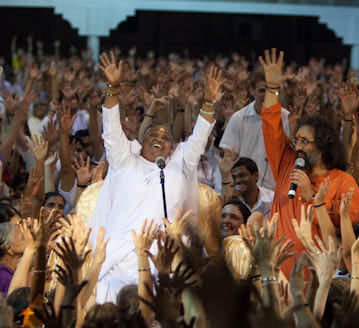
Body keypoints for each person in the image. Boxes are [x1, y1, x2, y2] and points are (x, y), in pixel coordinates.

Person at [88, 51, 224, 303]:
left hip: (162, 254)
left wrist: (208, 101)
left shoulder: (178, 166)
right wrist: (113, 88)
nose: (160, 140)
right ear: (142, 141)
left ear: (172, 147)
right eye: (154, 135)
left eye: (166, 138)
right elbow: (111, 129)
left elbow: (199, 137)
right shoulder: (124, 161)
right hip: (119, 258)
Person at [258, 48, 359, 278]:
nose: (298, 146)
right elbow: (270, 123)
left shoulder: (344, 182)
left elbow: (346, 232)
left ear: (323, 146)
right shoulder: (286, 164)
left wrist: (312, 198)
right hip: (278, 278)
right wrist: (273, 89)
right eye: (297, 140)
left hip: (319, 283)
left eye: (305, 141)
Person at [219, 71, 291, 191]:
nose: (267, 95)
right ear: (252, 90)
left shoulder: (286, 118)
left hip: (275, 191)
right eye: (262, 91)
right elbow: (229, 155)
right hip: (244, 191)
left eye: (270, 90)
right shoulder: (238, 118)